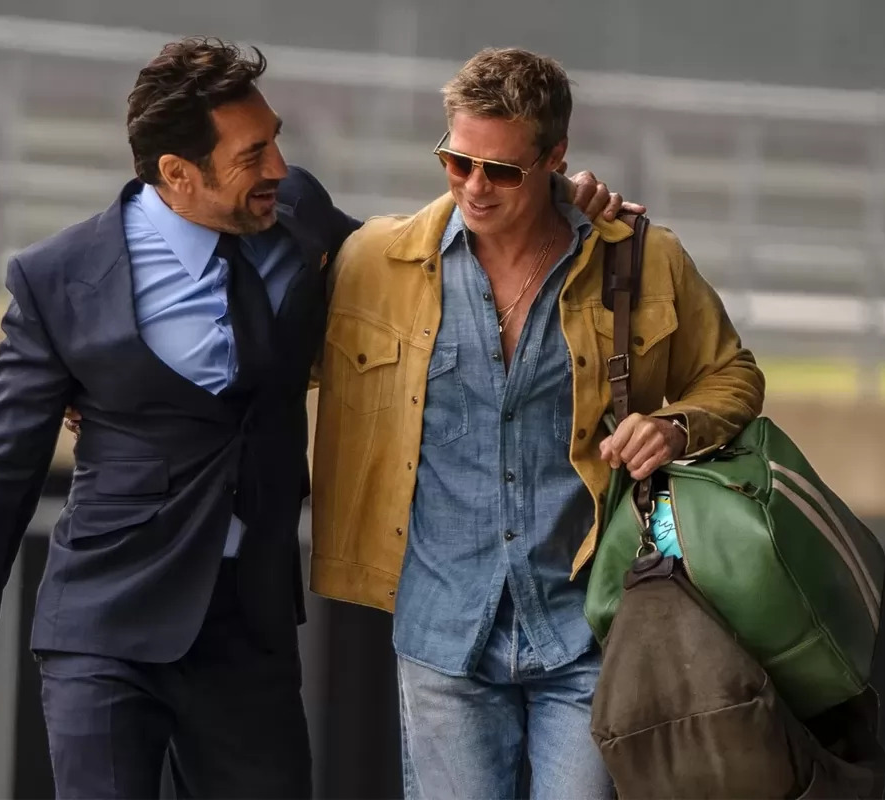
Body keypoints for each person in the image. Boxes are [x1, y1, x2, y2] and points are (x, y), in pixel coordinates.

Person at [0, 37, 637, 799]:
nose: (277, 168)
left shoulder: (298, 215)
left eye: (275, 141)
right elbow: (2, 471)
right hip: (107, 620)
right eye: (252, 155)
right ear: (178, 173)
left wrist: (559, 195)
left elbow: (419, 262)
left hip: (248, 625)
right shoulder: (58, 279)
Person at [308, 47, 765, 798]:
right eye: (457, 162)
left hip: (588, 627)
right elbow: (270, 357)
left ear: (555, 158)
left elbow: (733, 374)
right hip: (443, 632)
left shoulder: (642, 260)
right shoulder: (376, 264)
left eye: (501, 171)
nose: (474, 187)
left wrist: (675, 427)